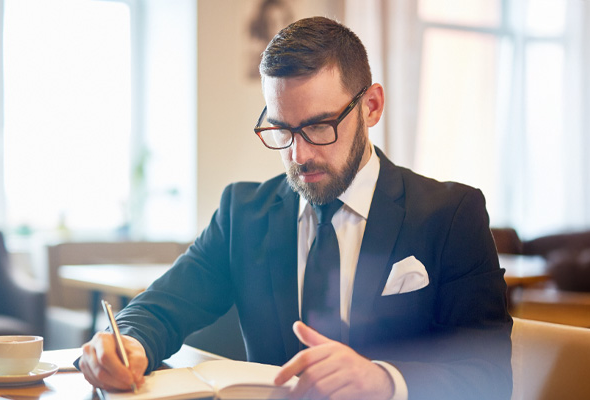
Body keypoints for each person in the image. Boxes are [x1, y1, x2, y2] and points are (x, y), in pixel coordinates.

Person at [78, 16, 512, 400]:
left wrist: (384, 382)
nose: (300, 155)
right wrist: (127, 343)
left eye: (319, 126)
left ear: (371, 106)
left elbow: (488, 376)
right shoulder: (242, 213)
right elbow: (161, 308)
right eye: (281, 129)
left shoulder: (452, 215)